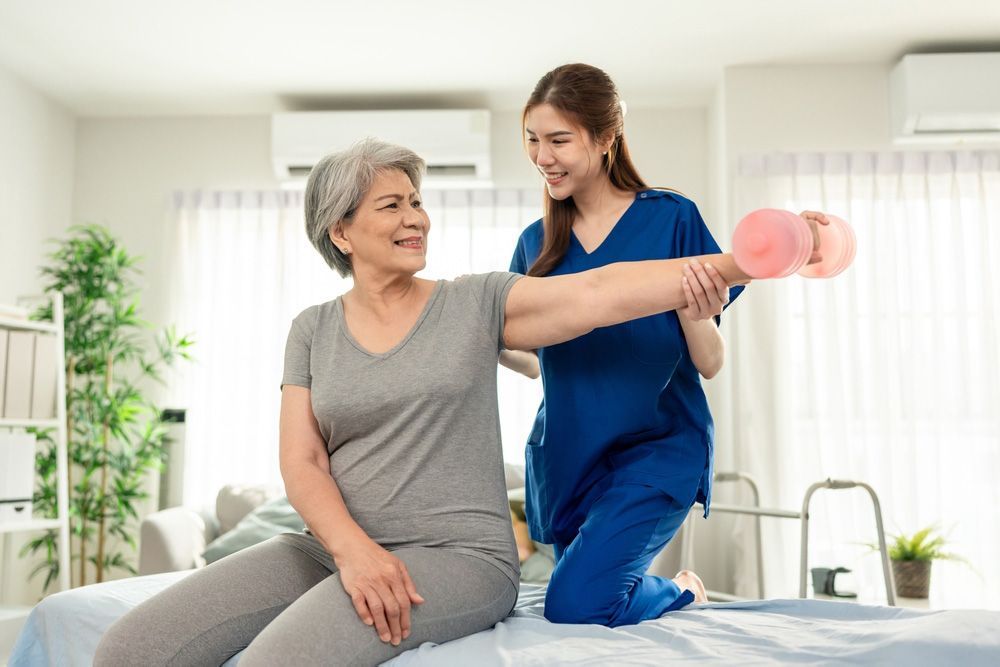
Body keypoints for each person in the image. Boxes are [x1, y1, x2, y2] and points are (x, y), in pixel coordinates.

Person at [93, 138, 754, 666]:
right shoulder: (312, 328)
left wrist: (745, 262)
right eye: (391, 206)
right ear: (341, 231)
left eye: (416, 201)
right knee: (127, 650)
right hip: (330, 547)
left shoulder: (472, 303)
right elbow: (302, 461)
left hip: (457, 559)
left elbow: (600, 293)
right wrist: (353, 552)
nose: (416, 218)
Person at [501, 63, 829, 627]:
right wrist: (476, 336)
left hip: (657, 450)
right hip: (569, 455)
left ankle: (681, 590)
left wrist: (698, 312)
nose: (542, 157)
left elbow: (710, 360)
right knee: (585, 595)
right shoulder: (535, 246)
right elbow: (531, 361)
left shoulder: (672, 219)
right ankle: (653, 593)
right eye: (533, 140)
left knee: (574, 603)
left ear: (605, 139)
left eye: (558, 140)